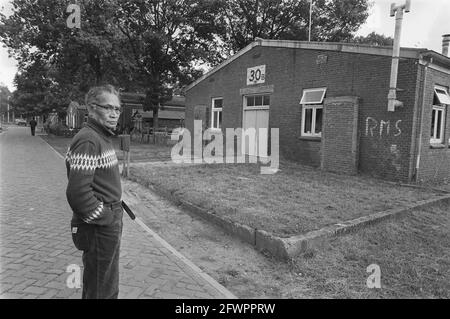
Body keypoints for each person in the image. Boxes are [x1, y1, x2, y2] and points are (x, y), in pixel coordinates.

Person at [65, 84, 123, 299]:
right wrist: (105, 217)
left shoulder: (101, 137)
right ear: (91, 108)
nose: (113, 114)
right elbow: (78, 194)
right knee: (100, 288)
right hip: (99, 225)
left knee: (106, 282)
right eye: (108, 108)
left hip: (108, 219)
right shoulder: (89, 140)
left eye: (117, 109)